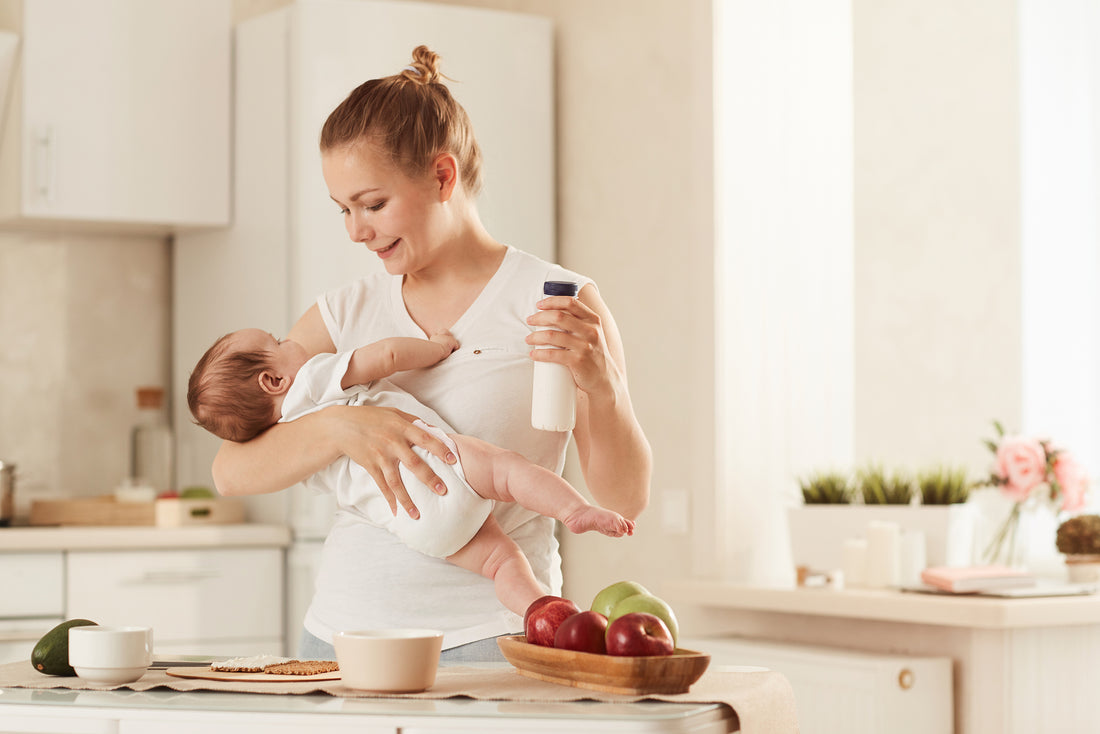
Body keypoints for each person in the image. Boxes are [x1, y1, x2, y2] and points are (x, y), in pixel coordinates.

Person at [210, 45, 652, 662]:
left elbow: (621, 500)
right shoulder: (342, 314)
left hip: (494, 639)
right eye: (344, 210)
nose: (356, 231)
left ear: (442, 177)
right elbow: (232, 471)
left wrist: (605, 389)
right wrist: (342, 425)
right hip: (339, 639)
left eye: (372, 204)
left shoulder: (556, 301)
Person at [187, 327, 635, 617]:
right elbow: (387, 354)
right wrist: (439, 348)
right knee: (507, 470)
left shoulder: (283, 436)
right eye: (276, 341)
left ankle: (541, 610)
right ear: (273, 381)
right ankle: (573, 511)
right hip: (445, 465)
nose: (289, 338)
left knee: (501, 564)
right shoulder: (312, 378)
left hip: (419, 527)